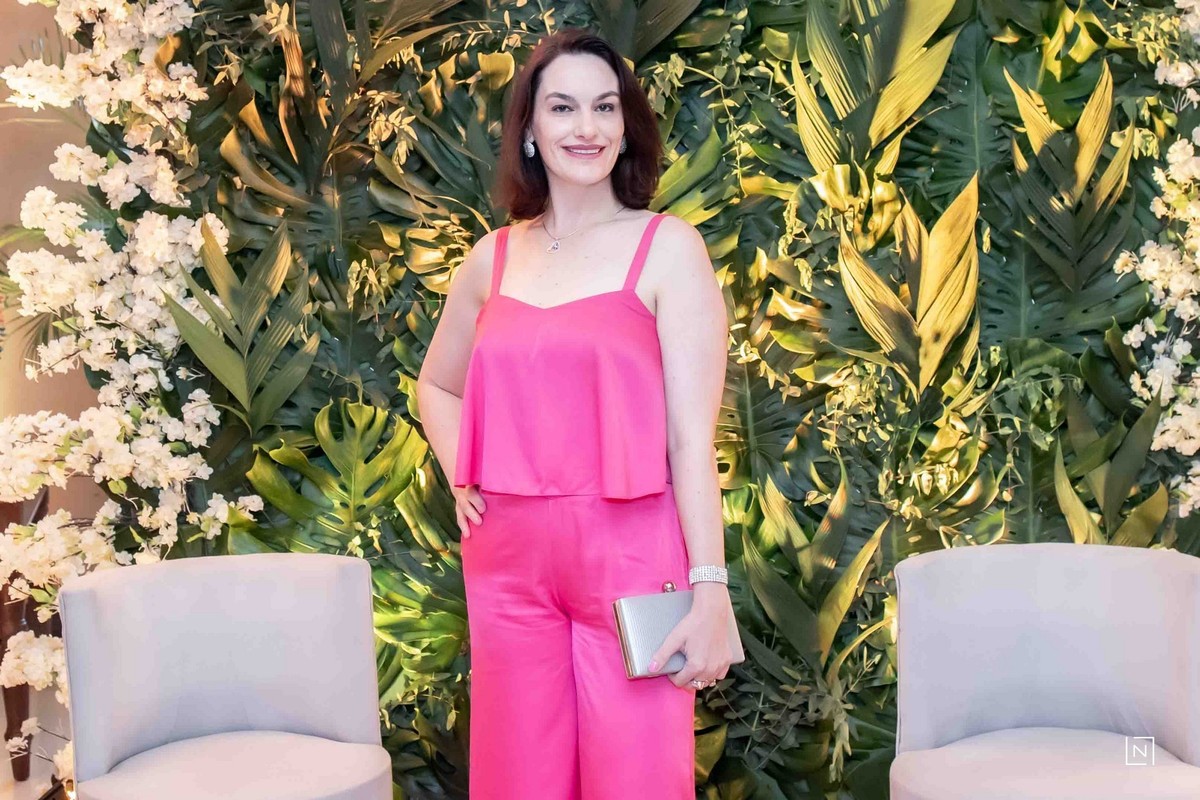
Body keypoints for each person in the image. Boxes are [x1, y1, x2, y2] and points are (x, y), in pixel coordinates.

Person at [415, 26, 733, 800]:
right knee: (515, 779)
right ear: (530, 128)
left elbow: (691, 440)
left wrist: (711, 587)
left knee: (638, 780)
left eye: (604, 107)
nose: (585, 127)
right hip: (506, 560)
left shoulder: (669, 248)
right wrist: (462, 471)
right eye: (562, 107)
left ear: (626, 127)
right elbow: (437, 386)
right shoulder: (491, 258)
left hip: (633, 556)